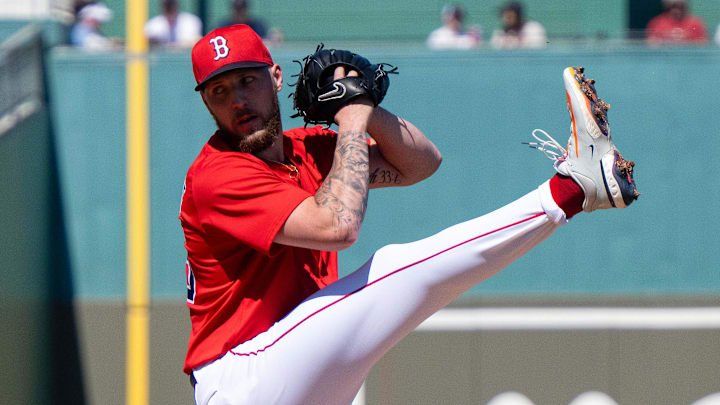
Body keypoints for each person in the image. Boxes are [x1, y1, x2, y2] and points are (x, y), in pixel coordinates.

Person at [181, 24, 638, 405]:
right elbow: (337, 226)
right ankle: (573, 189)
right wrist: (353, 119)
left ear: (275, 77)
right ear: (204, 102)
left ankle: (578, 186)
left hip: (299, 366)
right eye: (219, 90)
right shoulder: (218, 175)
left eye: (247, 80)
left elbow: (422, 163)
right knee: (392, 268)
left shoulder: (307, 150)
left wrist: (366, 108)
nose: (237, 99)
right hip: (242, 375)